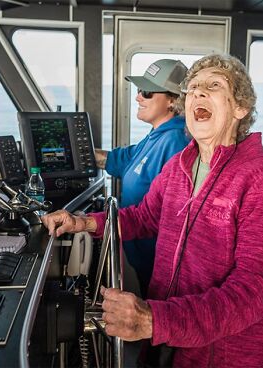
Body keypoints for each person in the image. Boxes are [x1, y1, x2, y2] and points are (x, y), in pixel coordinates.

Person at [42, 54, 263, 367]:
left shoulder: (260, 180)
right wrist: (83, 222)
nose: (197, 93)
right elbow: (143, 218)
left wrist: (153, 321)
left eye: (213, 86)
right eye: (194, 88)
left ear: (241, 108)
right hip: (166, 339)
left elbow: (251, 294)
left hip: (222, 353)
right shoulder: (179, 166)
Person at [94, 59, 189, 298]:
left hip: (160, 264)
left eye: (146, 92)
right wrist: (70, 151)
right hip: (141, 255)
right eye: (138, 91)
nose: (138, 97)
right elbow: (121, 159)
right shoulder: (155, 137)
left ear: (173, 100)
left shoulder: (176, 142)